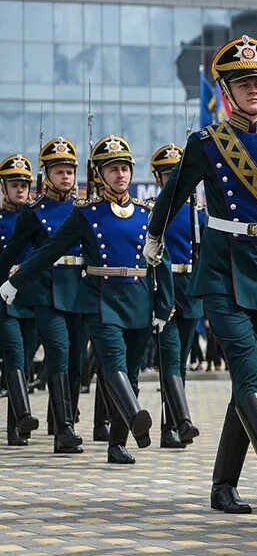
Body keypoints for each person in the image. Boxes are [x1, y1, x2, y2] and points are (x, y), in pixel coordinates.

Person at [145, 35, 257, 513]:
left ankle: (223, 485)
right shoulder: (208, 143)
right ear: (226, 91)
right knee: (245, 368)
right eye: (243, 83)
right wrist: (155, 236)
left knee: (250, 379)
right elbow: (172, 194)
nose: (254, 89)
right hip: (223, 271)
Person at [3, 136, 172, 464]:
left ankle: (117, 442)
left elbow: (158, 258)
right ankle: (70, 426)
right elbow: (47, 251)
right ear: (99, 174)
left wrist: (164, 304)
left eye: (125, 168)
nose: (120, 175)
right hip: (86, 296)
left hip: (131, 298)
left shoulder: (145, 213)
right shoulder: (84, 214)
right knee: (87, 360)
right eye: (112, 169)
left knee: (127, 369)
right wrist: (12, 281)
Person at [0, 137, 89, 453]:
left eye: (69, 171)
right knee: (58, 353)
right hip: (45, 293)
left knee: (77, 361)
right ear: (47, 175)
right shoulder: (34, 212)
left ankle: (63, 420)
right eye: (59, 171)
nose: (65, 177)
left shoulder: (84, 209)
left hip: (79, 293)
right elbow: (9, 256)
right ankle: (63, 431)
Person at [150, 143, 205, 449]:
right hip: (165, 291)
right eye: (168, 175)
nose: (174, 180)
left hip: (190, 291)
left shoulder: (198, 214)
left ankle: (170, 424)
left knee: (181, 361)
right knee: (170, 360)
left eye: (179, 175)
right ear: (159, 179)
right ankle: (175, 425)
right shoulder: (154, 209)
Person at [0, 154, 40, 446]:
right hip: (4, 298)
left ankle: (17, 424)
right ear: (4, 187)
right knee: (14, 355)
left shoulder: (37, 217)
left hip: (33, 295)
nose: (20, 190)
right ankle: (19, 422)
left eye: (24, 185)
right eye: (14, 185)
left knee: (25, 359)